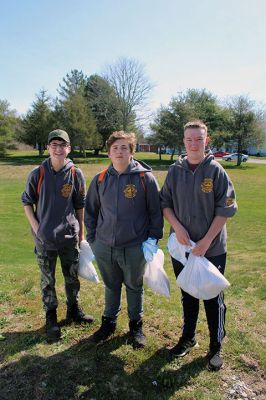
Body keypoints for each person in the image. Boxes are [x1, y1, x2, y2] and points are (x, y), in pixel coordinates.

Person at [160, 120, 237, 370]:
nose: (194, 143)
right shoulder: (175, 171)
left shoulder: (216, 172)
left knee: (212, 298)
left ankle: (215, 346)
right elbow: (165, 204)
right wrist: (178, 228)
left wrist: (205, 242)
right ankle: (188, 337)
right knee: (188, 294)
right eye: (189, 139)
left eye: (199, 139)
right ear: (183, 141)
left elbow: (225, 210)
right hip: (182, 249)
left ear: (207, 140)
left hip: (211, 249)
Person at [85, 131, 163, 349]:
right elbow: (90, 211)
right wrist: (93, 239)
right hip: (104, 245)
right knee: (111, 285)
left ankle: (135, 327)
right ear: (109, 152)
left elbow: (155, 212)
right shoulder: (100, 179)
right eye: (115, 148)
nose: (119, 152)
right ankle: (108, 323)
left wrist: (152, 240)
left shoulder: (144, 178)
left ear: (131, 152)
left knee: (134, 286)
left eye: (124, 148)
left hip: (135, 246)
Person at [21, 129, 94, 343]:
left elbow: (80, 206)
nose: (58, 148)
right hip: (45, 240)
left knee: (72, 277)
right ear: (48, 148)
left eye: (62, 145)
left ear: (68, 149)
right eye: (54, 144)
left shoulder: (75, 174)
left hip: (69, 237)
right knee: (48, 279)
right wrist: (37, 228)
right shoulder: (38, 173)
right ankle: (51, 316)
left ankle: (73, 310)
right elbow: (26, 201)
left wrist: (81, 234)